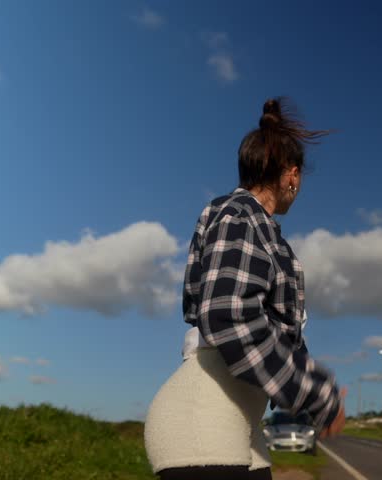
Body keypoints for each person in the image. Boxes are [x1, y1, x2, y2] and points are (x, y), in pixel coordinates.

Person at [144, 98, 346, 480]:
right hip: (203, 425)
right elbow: (229, 317)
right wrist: (313, 393)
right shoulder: (237, 215)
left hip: (243, 429)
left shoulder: (269, 239)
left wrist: (318, 394)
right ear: (292, 175)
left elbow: (280, 341)